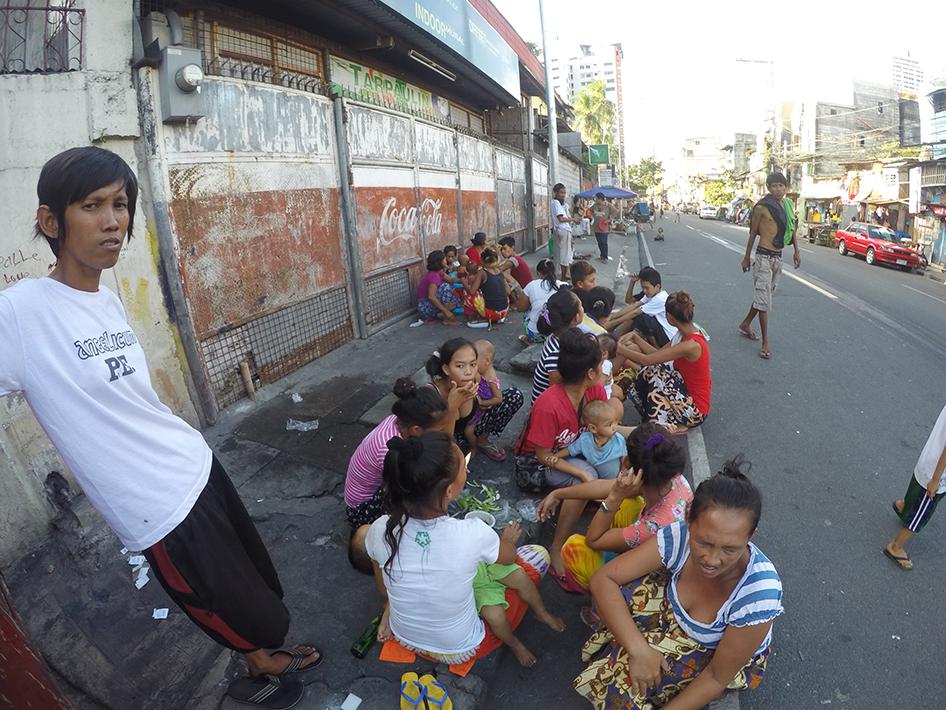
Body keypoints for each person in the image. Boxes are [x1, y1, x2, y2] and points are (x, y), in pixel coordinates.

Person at [0, 146, 319, 707]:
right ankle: (260, 662)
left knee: (255, 580)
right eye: (92, 205)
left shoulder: (106, 298)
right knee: (222, 604)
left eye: (120, 204)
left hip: (194, 464)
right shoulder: (21, 312)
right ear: (51, 220)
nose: (112, 220)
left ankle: (264, 648)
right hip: (154, 507)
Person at [574, 458, 783, 709]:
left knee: (628, 683)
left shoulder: (759, 596)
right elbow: (604, 579)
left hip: (712, 651)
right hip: (671, 616)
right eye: (704, 542)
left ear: (751, 536)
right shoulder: (678, 535)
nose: (713, 560)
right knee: (618, 607)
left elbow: (716, 676)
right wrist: (639, 649)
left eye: (730, 549)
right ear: (688, 521)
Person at [368, 433, 565, 668]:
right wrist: (506, 541)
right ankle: (522, 631)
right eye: (465, 466)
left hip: (408, 640)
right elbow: (510, 557)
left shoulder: (379, 528)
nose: (468, 472)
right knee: (537, 556)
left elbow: (383, 589)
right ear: (449, 491)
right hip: (461, 650)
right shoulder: (471, 532)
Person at [537, 423, 691, 593]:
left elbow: (593, 540)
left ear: (625, 463)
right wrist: (558, 494)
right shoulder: (669, 476)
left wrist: (614, 498)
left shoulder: (650, 528)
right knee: (629, 503)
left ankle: (601, 603)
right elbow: (606, 486)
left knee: (574, 548)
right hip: (670, 556)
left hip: (655, 582)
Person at [516, 328, 613, 492]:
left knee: (611, 467)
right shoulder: (548, 405)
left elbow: (604, 426)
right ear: (590, 373)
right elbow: (543, 455)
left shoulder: (595, 391)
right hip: (537, 463)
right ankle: (566, 502)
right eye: (601, 366)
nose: (604, 370)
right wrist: (581, 473)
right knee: (587, 478)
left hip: (572, 450)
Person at [616, 292, 711, 434]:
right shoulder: (684, 334)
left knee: (656, 374)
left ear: (670, 317)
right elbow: (656, 354)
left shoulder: (691, 344)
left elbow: (647, 360)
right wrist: (636, 338)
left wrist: (617, 348)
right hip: (685, 395)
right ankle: (665, 419)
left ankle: (660, 425)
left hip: (695, 410)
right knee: (653, 370)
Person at [739, 172, 801, 360]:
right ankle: (765, 342)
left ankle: (745, 324)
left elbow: (792, 229)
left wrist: (797, 251)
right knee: (764, 301)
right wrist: (746, 257)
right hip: (764, 257)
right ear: (768, 188)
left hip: (777, 257)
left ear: (786, 187)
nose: (778, 189)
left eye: (781, 186)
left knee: (763, 297)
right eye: (774, 186)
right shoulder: (762, 207)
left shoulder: (788, 205)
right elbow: (752, 233)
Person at [885, 403, 946, 570]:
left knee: (915, 488)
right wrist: (935, 480)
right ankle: (896, 546)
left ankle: (903, 506)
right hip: (938, 474)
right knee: (923, 511)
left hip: (928, 461)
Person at [467, 339, 523, 463]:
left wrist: (482, 403)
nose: (471, 365)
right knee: (467, 431)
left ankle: (479, 441)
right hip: (467, 413)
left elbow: (498, 399)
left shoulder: (490, 378)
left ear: (487, 361)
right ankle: (470, 444)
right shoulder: (475, 371)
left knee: (515, 395)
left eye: (474, 362)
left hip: (479, 412)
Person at [426, 338, 481, 456]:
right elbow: (441, 443)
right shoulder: (431, 396)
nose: (469, 372)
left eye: (473, 364)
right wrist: (451, 408)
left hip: (467, 430)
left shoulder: (472, 380)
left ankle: (480, 442)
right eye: (460, 366)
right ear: (446, 369)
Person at [531, 288, 584, 402]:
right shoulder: (556, 354)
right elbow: (555, 392)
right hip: (546, 407)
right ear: (576, 318)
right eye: (581, 306)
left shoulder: (556, 335)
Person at [565, 400, 627, 480]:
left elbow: (625, 459)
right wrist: (556, 456)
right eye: (609, 424)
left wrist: (622, 472)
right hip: (593, 477)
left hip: (614, 479)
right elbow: (571, 449)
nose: (615, 427)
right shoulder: (585, 440)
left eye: (615, 422)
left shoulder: (618, 440)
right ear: (593, 428)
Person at [618, 267, 677, 346]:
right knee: (637, 315)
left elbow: (635, 312)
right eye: (643, 288)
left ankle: (656, 349)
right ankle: (621, 337)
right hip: (658, 329)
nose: (644, 290)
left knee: (641, 317)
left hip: (667, 337)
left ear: (657, 287)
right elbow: (631, 303)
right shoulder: (648, 293)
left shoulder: (659, 298)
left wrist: (613, 322)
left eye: (646, 288)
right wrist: (632, 283)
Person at [517, 258, 568, 345]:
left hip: (536, 333)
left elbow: (520, 308)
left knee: (527, 311)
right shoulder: (564, 286)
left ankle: (530, 339)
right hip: (559, 333)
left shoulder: (532, 285)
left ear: (538, 273)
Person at [463, 248, 510, 328]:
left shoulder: (482, 272)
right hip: (504, 311)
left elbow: (472, 291)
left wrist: (464, 283)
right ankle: (498, 318)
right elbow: (508, 291)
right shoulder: (499, 271)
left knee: (468, 294)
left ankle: (478, 319)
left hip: (491, 312)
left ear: (481, 260)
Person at [415, 249, 462, 324]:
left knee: (457, 299)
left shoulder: (439, 272)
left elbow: (451, 280)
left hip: (429, 304)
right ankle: (446, 318)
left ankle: (440, 314)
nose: (446, 260)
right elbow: (431, 297)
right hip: (424, 307)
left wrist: (463, 280)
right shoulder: (434, 276)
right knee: (446, 287)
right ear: (440, 261)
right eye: (444, 259)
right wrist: (446, 311)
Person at [552, 183, 581, 281]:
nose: (563, 195)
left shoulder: (561, 204)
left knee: (563, 254)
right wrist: (573, 219)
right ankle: (564, 277)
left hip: (563, 230)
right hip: (562, 230)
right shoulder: (555, 203)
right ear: (555, 193)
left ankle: (563, 275)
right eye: (561, 192)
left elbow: (565, 217)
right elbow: (561, 219)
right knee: (564, 256)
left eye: (564, 193)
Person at [590, 192, 619, 262]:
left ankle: (605, 257)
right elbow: (590, 210)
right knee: (599, 242)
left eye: (596, 198)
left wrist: (609, 219)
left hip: (604, 227)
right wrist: (593, 215)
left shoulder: (608, 205)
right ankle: (601, 255)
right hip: (596, 226)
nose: (595, 200)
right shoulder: (595, 205)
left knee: (604, 242)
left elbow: (616, 211)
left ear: (600, 199)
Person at [596, 333, 619, 400]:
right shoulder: (599, 362)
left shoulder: (606, 365)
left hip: (602, 398)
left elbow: (600, 385)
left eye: (595, 345)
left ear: (604, 354)